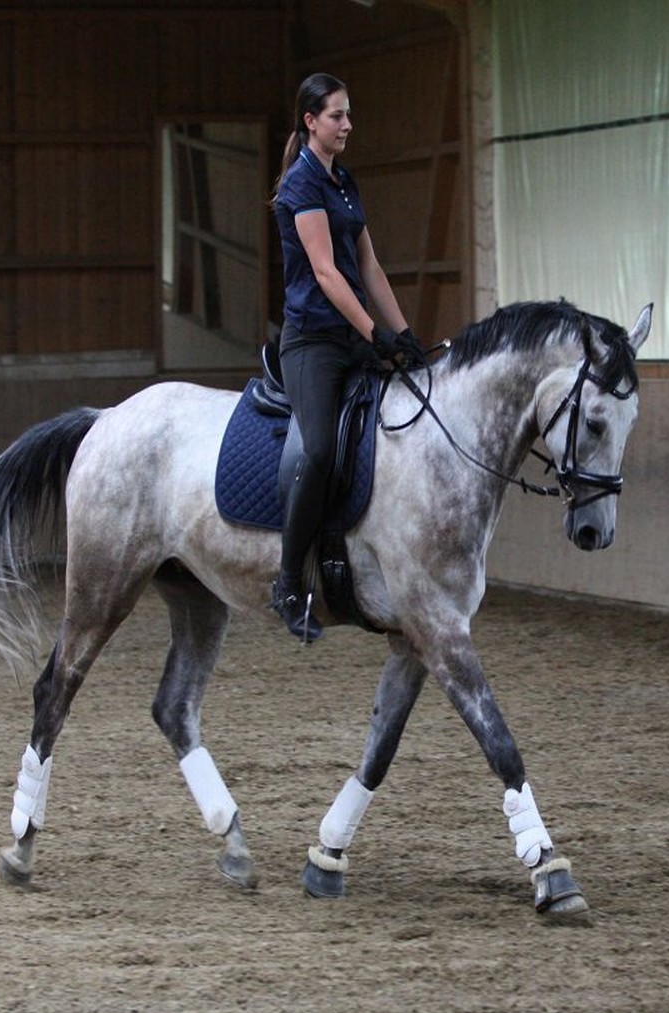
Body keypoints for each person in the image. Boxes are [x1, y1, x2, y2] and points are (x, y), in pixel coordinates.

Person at [269, 72, 425, 643]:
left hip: (353, 337)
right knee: (319, 448)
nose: (348, 125)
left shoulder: (343, 183)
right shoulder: (301, 185)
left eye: (349, 114)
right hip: (312, 342)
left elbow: (369, 268)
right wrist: (371, 332)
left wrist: (403, 332)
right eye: (337, 115)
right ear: (311, 121)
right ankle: (287, 581)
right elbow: (326, 272)